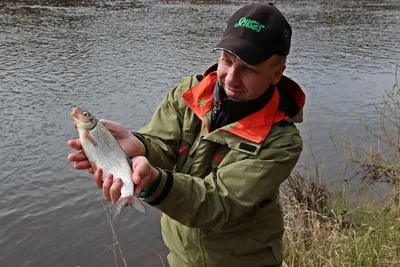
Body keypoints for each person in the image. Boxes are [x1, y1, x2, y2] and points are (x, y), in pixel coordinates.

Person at [68, 2, 305, 267]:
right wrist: (139, 145)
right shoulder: (189, 92)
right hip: (180, 256)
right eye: (226, 60)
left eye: (248, 68)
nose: (231, 78)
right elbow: (164, 144)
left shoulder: (283, 142)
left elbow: (219, 202)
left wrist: (155, 183)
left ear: (276, 74)